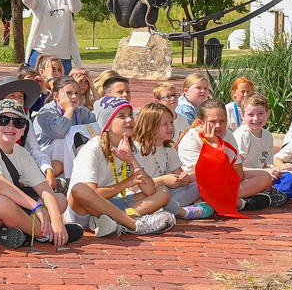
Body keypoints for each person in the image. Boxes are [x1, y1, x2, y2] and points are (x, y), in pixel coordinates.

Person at [0, 98, 82, 248]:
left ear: (23, 129)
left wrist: (57, 218)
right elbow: (0, 186)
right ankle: (46, 234)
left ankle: (23, 231)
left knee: (58, 199)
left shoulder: (21, 153)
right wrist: (37, 208)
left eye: (18, 122)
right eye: (3, 120)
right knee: (3, 204)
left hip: (14, 207)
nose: (10, 126)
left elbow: (44, 188)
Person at [65, 97, 176, 237]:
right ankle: (134, 225)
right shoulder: (92, 149)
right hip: (86, 212)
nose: (129, 120)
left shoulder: (132, 148)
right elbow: (92, 193)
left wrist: (131, 160)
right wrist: (127, 183)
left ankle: (119, 221)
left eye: (130, 115)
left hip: (113, 205)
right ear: (108, 124)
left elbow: (149, 190)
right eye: (121, 116)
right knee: (79, 189)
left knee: (162, 192)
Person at [179, 99, 285, 210]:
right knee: (195, 180)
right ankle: (241, 203)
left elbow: (239, 172)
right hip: (198, 184)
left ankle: (223, 200)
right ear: (201, 123)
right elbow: (204, 175)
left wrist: (226, 178)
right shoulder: (192, 139)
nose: (218, 125)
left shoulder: (228, 135)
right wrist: (215, 144)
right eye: (212, 121)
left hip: (223, 182)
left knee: (264, 177)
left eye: (222, 121)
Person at [132, 102, 210, 220]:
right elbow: (134, 186)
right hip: (142, 195)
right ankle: (182, 212)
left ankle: (164, 209)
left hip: (166, 193)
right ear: (150, 126)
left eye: (171, 123)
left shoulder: (168, 148)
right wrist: (164, 180)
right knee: (162, 193)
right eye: (165, 124)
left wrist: (184, 178)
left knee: (198, 185)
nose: (170, 127)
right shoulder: (138, 149)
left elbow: (179, 172)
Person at [30, 74, 94, 188]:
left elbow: (99, 123)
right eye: (69, 93)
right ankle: (68, 182)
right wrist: (69, 109)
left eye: (77, 93)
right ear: (56, 96)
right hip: (43, 157)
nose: (74, 96)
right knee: (67, 136)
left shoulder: (79, 111)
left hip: (66, 158)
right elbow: (59, 131)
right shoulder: (45, 112)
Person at [22, 0, 82, 68]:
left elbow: (76, 8)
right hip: (41, 53)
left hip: (63, 56)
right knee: (39, 85)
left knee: (64, 85)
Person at [233, 94, 278, 173]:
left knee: (288, 178)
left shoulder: (268, 136)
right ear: (242, 116)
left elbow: (264, 164)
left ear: (268, 114)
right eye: (251, 114)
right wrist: (264, 172)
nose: (256, 118)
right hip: (240, 176)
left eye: (260, 113)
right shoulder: (242, 135)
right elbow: (236, 168)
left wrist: (272, 171)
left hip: (258, 174)